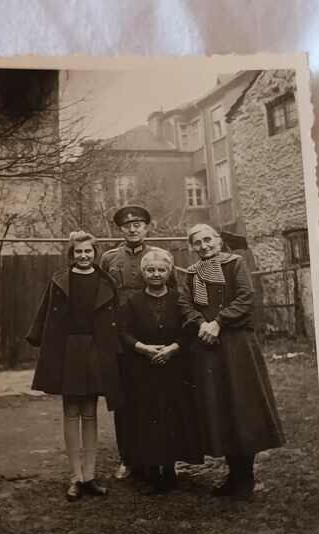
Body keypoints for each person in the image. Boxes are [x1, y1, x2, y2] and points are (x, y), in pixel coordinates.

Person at [178, 223, 284, 499]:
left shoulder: (234, 263)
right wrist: (201, 324)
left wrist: (219, 322)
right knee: (220, 408)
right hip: (208, 348)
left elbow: (246, 297)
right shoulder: (191, 274)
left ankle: (245, 477)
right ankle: (233, 474)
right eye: (197, 243)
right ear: (192, 247)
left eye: (208, 240)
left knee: (241, 406)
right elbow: (185, 304)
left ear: (217, 240)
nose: (204, 246)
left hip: (236, 345)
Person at [26, 230, 122, 502]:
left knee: (90, 412)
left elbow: (116, 317)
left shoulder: (106, 282)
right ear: (72, 254)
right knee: (70, 412)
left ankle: (90, 475)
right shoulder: (59, 281)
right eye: (78, 252)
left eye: (88, 251)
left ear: (95, 254)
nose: (83, 256)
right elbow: (45, 314)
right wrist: (37, 339)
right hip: (67, 351)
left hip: (96, 351)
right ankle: (75, 476)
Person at [120, 248, 200, 490]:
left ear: (169, 272)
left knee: (172, 415)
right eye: (151, 270)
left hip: (173, 368)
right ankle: (151, 468)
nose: (156, 274)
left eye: (161, 270)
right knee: (148, 417)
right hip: (143, 369)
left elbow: (188, 330)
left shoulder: (179, 299)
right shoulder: (132, 301)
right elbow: (123, 332)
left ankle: (169, 467)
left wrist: (172, 349)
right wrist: (143, 349)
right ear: (143, 273)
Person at [100, 203, 152, 479]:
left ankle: (159, 456)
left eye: (138, 224)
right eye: (127, 225)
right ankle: (128, 458)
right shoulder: (109, 259)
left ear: (146, 227)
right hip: (120, 337)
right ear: (120, 229)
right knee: (124, 400)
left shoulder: (159, 257)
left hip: (152, 335)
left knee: (155, 398)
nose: (133, 229)